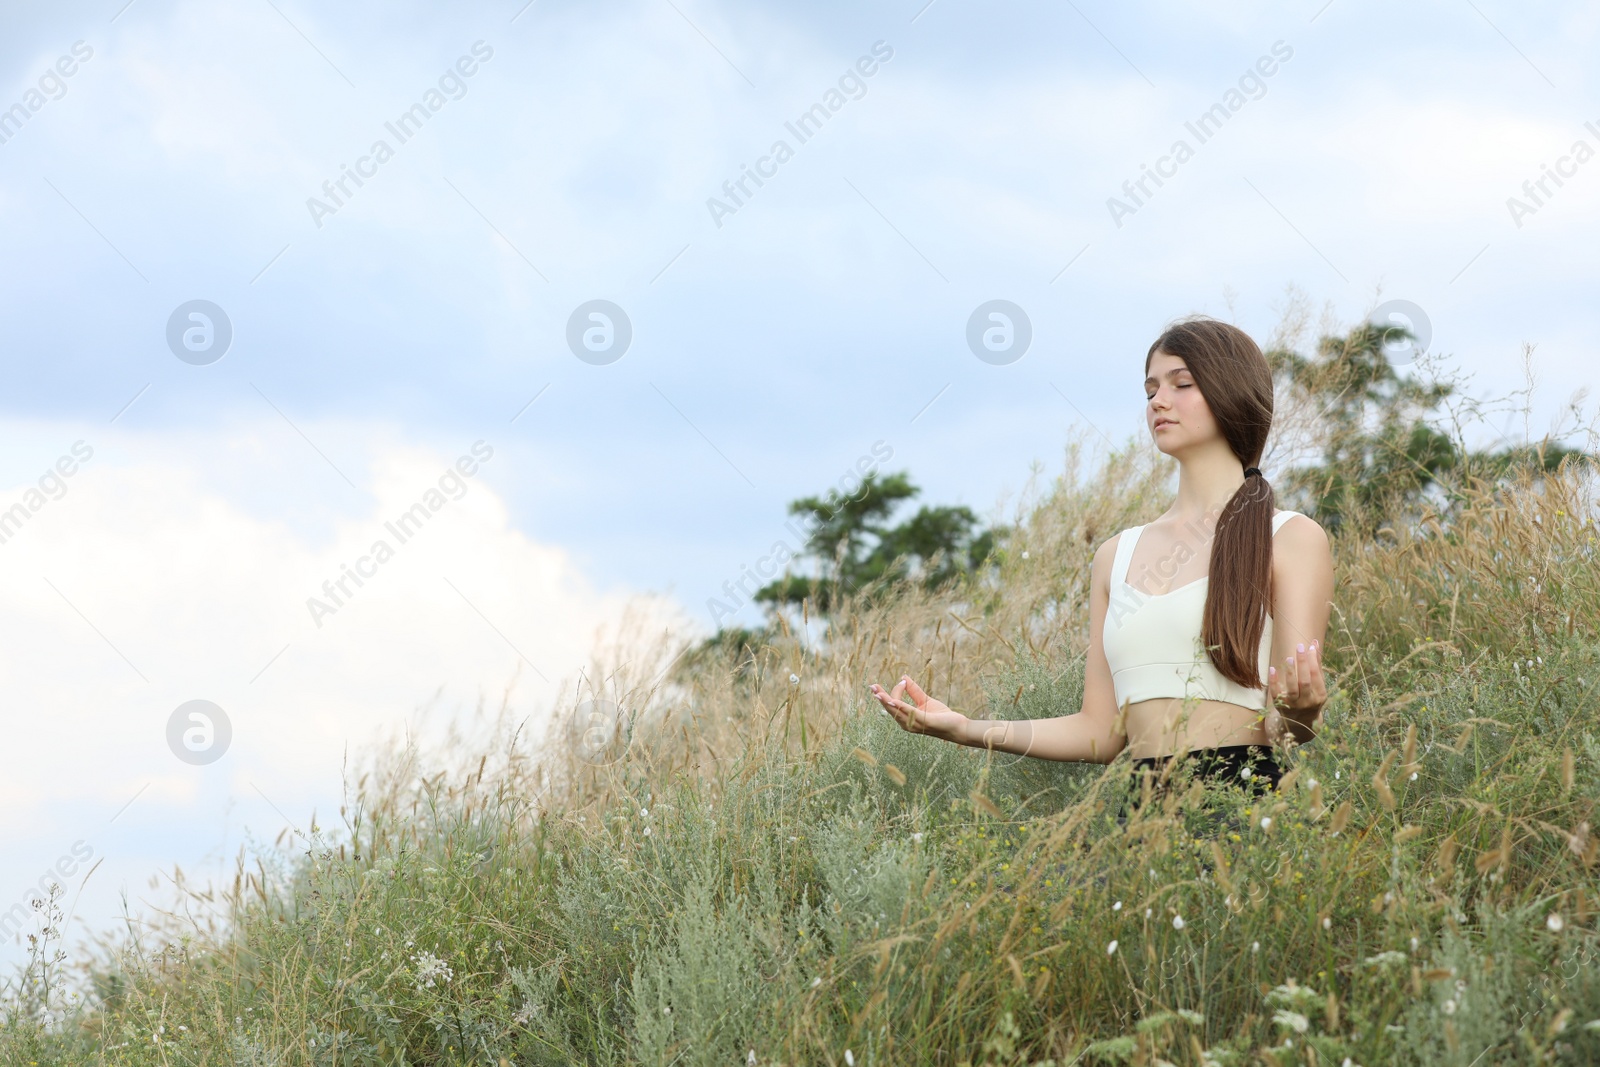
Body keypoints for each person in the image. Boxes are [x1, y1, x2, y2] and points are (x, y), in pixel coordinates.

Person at [869, 316, 1334, 810]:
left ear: (1230, 392)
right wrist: (965, 728)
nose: (1158, 400)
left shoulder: (1290, 538)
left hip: (1247, 801)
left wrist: (1302, 715)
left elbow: (1285, 725)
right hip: (1139, 813)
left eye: (1182, 384)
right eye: (1151, 388)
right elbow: (1100, 733)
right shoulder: (1116, 555)